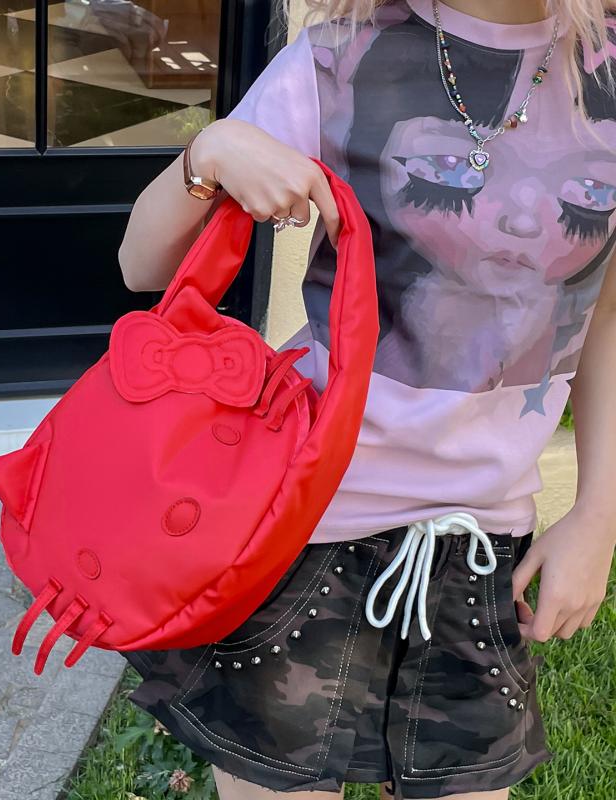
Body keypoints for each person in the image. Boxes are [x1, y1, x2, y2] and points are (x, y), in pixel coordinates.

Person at [117, 1, 616, 798]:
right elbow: (141, 264)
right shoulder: (338, 62)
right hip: (296, 535)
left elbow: (606, 315)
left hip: (478, 550)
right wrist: (208, 154)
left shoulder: (606, 73)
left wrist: (598, 516)